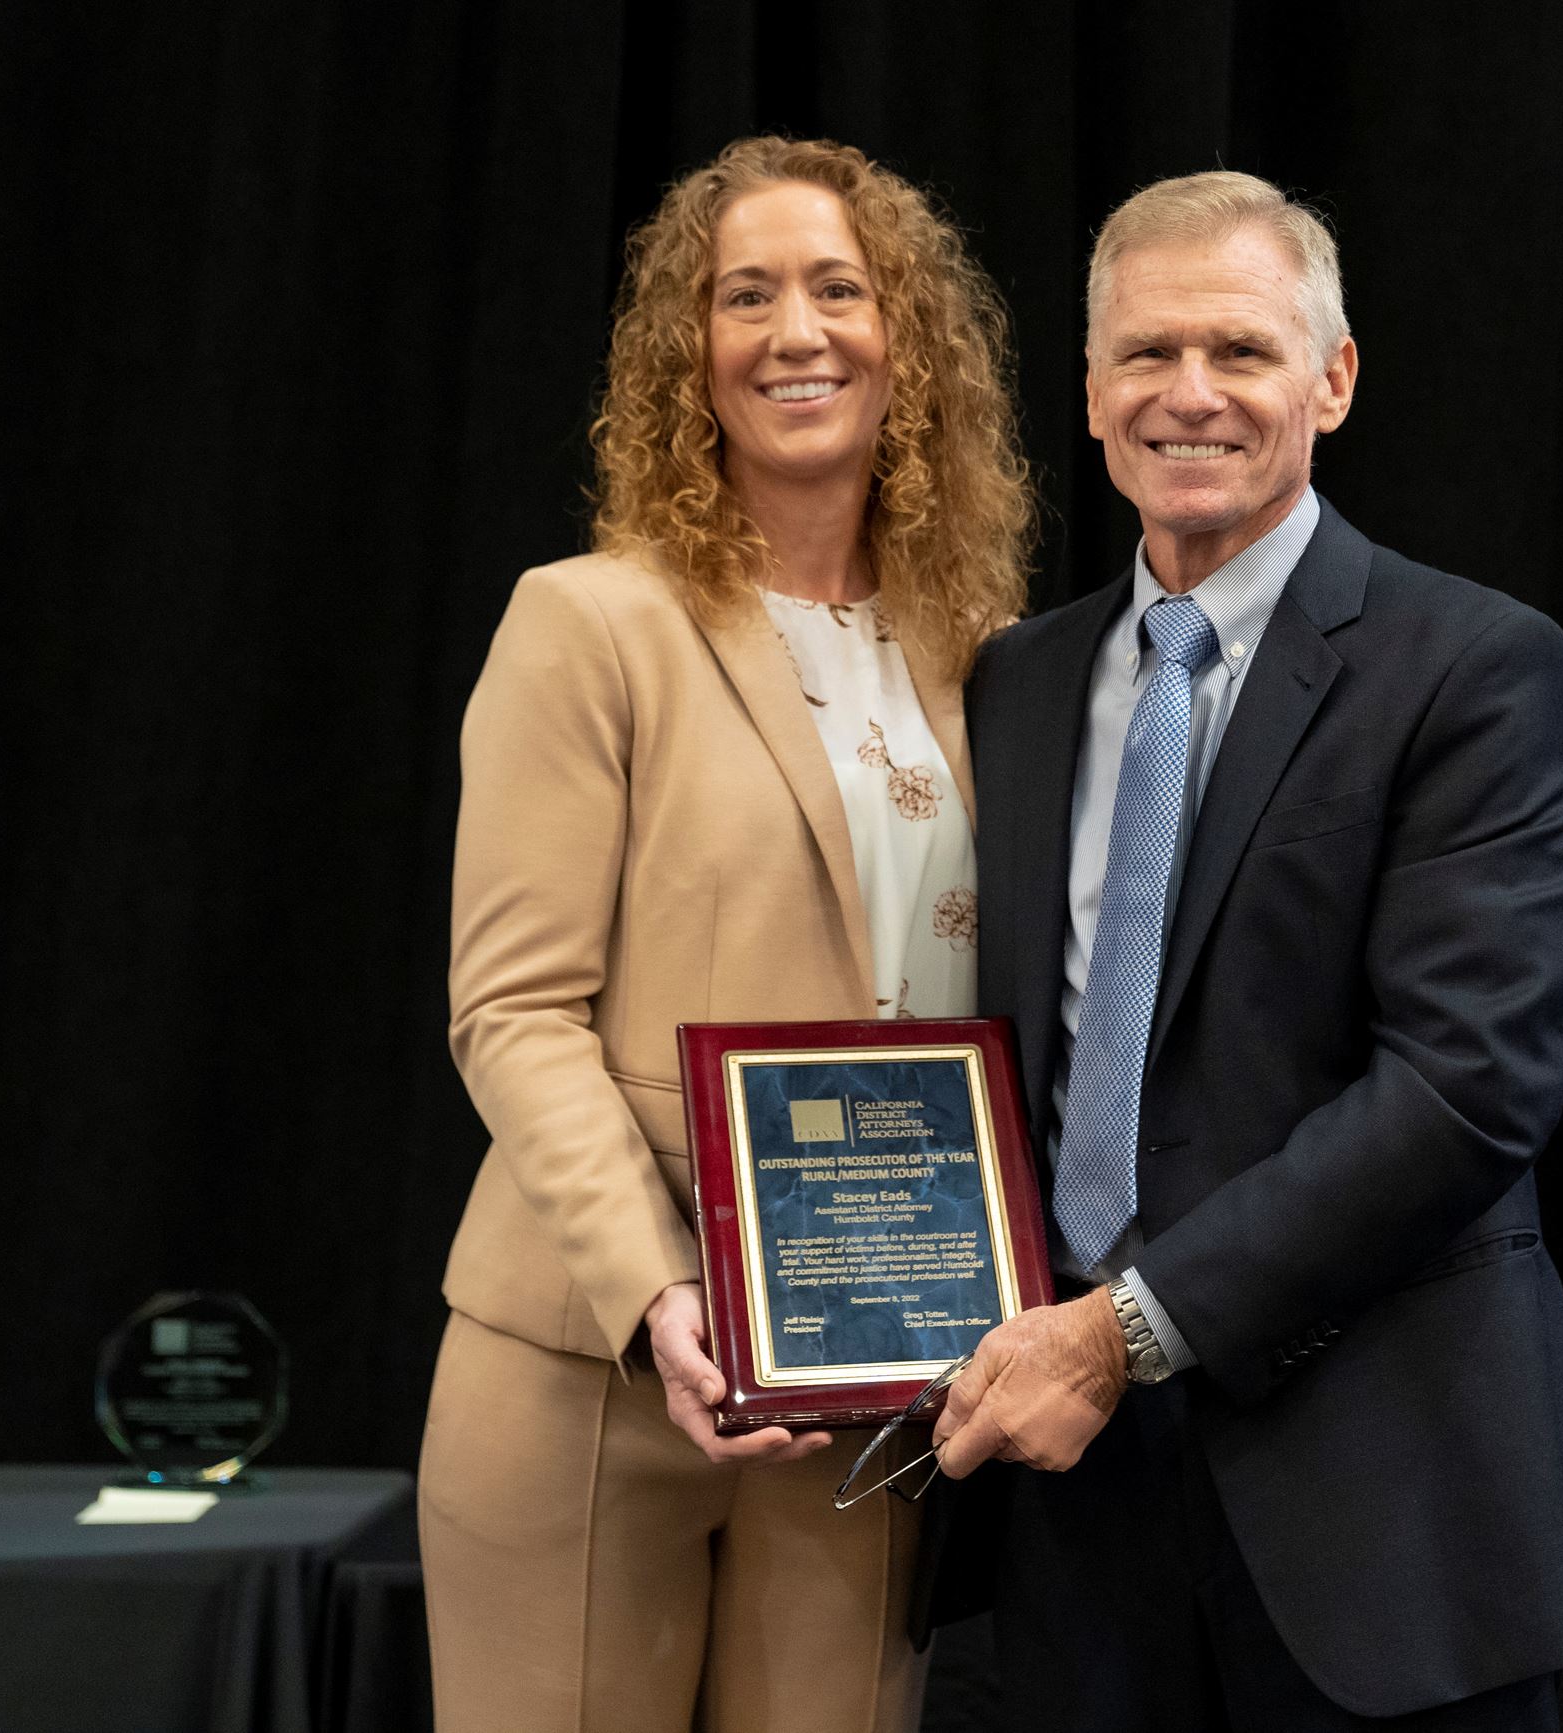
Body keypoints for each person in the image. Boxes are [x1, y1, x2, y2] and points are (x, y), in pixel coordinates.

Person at [931, 172, 1563, 1730]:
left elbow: (1466, 1087)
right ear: (1091, 392)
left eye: (1241, 350)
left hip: (1377, 1501)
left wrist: (1124, 1331)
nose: (1190, 394)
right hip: (1073, 1512)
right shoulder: (1016, 682)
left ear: (1334, 378)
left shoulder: (1475, 668)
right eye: (1147, 352)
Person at [421, 136, 1031, 1733]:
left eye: (839, 289)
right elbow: (512, 1009)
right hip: (597, 1361)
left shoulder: (989, 653)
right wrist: (658, 1291)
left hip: (870, 1366)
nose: (795, 331)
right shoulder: (590, 624)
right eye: (744, 296)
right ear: (685, 355)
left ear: (908, 338)